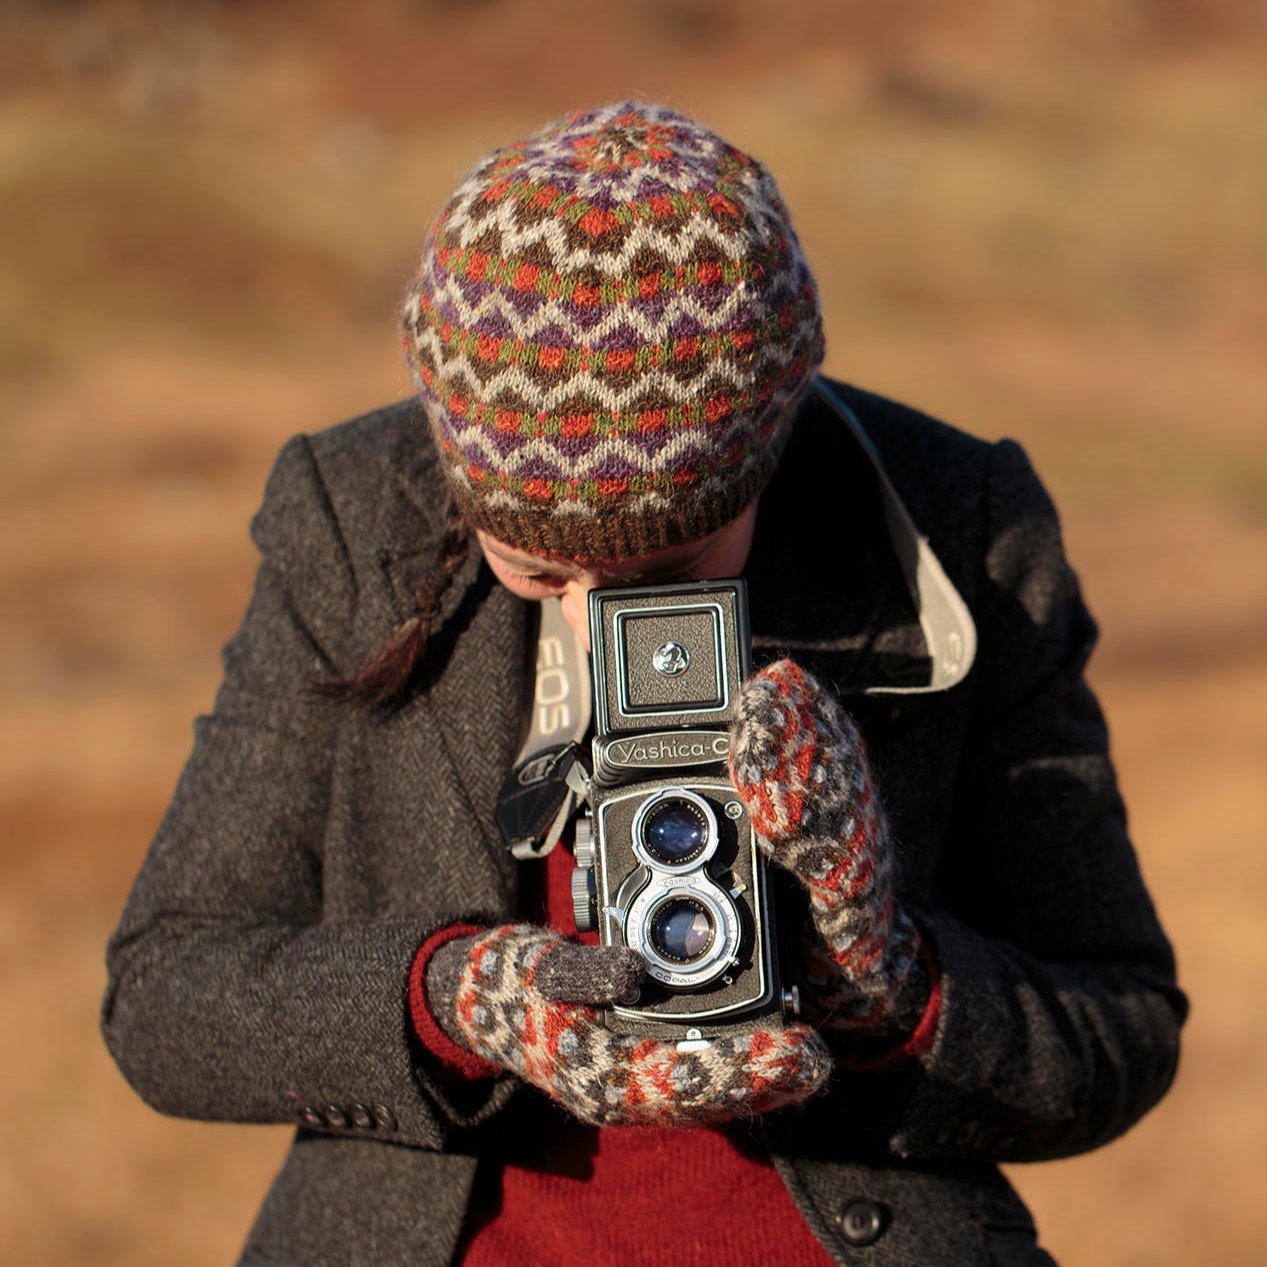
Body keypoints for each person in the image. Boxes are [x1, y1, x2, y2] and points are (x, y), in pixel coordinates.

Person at [101, 101, 1186, 1267]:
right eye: (538, 565)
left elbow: (1117, 1028)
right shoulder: (358, 514)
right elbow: (166, 995)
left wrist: (892, 985)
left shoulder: (953, 526)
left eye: (671, 570)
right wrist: (460, 999)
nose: (597, 614)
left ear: (770, 451)